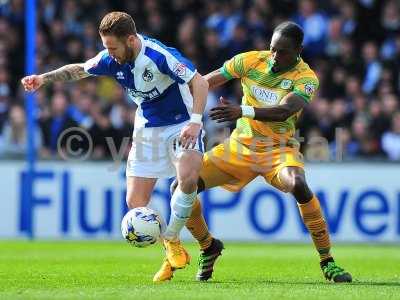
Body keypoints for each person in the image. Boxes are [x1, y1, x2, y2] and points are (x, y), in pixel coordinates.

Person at [155, 21, 352, 283]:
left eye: (282, 52)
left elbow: (285, 110)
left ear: (298, 51)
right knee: (179, 187)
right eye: (272, 49)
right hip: (239, 148)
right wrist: (168, 98)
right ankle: (208, 246)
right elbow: (204, 82)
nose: (275, 56)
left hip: (278, 151)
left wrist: (243, 111)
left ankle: (327, 261)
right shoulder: (250, 60)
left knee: (299, 185)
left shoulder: (306, 78)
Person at [21, 11, 208, 276]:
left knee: (187, 179)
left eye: (113, 47)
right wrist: (43, 78)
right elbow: (79, 70)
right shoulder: (111, 59)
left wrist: (196, 121)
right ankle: (172, 243)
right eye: (106, 47)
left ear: (131, 40)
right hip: (147, 128)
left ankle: (172, 235)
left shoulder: (158, 56)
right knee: (135, 201)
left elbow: (198, 82)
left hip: (183, 123)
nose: (109, 53)